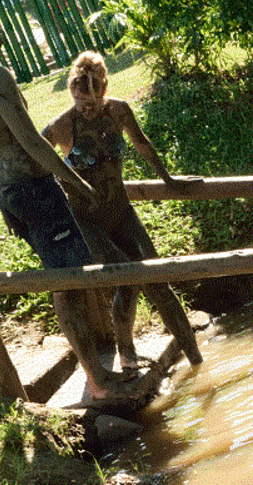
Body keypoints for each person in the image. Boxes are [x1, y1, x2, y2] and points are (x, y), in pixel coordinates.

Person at [0, 8, 131, 399]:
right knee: (66, 282)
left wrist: (2, 205)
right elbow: (29, 140)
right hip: (34, 186)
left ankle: (98, 368)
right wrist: (76, 182)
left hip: (10, 192)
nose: (2, 40)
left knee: (64, 275)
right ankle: (96, 380)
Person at [41, 51, 203, 374]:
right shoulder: (61, 126)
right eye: (80, 102)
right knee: (126, 278)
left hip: (121, 210)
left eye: (93, 102)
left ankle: (198, 359)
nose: (87, 110)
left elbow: (142, 144)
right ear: (72, 94)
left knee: (158, 279)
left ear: (104, 90)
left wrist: (168, 179)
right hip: (88, 221)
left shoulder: (118, 111)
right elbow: (35, 159)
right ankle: (126, 352)